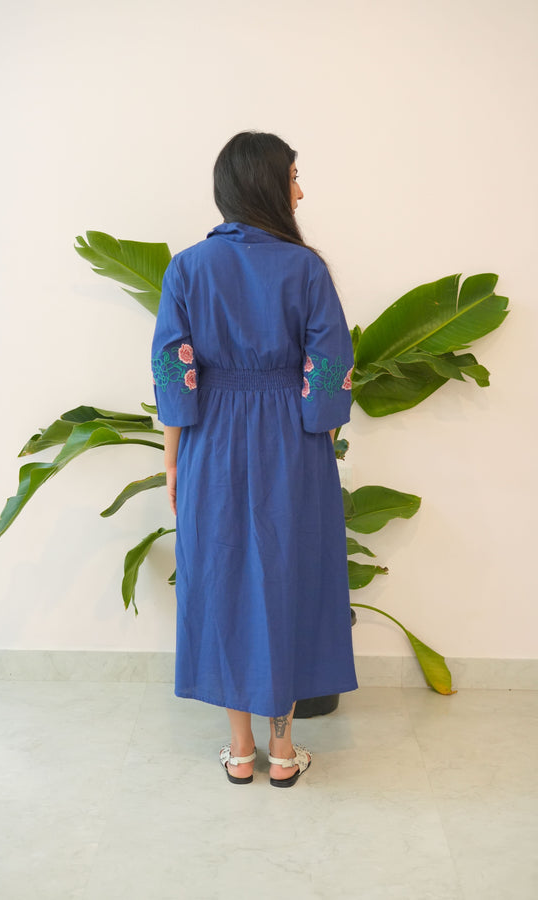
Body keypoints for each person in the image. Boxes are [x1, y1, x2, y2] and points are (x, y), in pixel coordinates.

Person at [151, 131, 357, 788]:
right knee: (289, 574)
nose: (301, 188)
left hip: (211, 434)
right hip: (291, 440)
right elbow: (328, 365)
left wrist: (175, 457)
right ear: (270, 184)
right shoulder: (307, 269)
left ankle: (240, 751)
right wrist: (317, 444)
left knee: (222, 577)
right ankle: (285, 752)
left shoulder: (186, 268)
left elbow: (173, 369)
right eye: (294, 175)